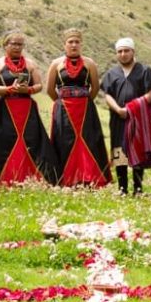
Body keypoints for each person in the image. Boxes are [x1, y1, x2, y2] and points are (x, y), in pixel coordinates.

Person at [0, 31, 57, 184]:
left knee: (32, 141)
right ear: (5, 45)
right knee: (6, 141)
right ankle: (5, 178)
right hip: (6, 108)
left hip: (27, 107)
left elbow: (39, 85)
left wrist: (28, 90)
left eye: (20, 44)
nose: (17, 47)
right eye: (14, 44)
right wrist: (9, 89)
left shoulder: (30, 64)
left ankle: (37, 178)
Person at [46, 29, 110, 187]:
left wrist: (85, 101)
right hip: (64, 109)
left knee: (89, 141)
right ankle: (67, 179)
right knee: (64, 141)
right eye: (70, 42)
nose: (74, 45)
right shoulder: (56, 64)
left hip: (85, 109)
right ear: (64, 44)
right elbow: (49, 89)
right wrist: (61, 102)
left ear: (81, 44)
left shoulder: (89, 63)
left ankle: (90, 177)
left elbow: (94, 88)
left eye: (77, 42)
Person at [101, 38, 151, 195]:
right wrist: (118, 109)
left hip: (138, 119)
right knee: (119, 151)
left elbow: (150, 93)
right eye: (120, 51)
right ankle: (122, 188)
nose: (123, 54)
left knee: (137, 150)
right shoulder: (111, 73)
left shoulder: (144, 71)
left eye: (126, 50)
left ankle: (138, 188)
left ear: (133, 51)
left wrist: (132, 109)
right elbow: (108, 95)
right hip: (117, 119)